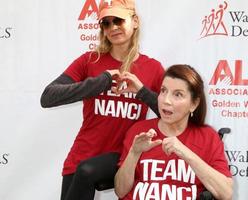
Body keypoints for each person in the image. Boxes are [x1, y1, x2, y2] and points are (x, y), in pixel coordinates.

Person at [40, 0, 164, 200]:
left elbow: (170, 115)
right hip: (81, 156)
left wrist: (141, 90)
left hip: (122, 156)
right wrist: (101, 81)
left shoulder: (153, 68)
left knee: (88, 170)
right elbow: (48, 97)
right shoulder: (90, 60)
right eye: (106, 23)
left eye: (118, 20)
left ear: (135, 21)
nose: (113, 27)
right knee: (84, 169)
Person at [115, 64, 233, 200]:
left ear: (194, 104)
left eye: (178, 94)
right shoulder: (139, 130)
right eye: (163, 91)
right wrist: (134, 153)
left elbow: (226, 193)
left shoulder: (208, 137)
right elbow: (120, 191)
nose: (166, 100)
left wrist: (184, 152)